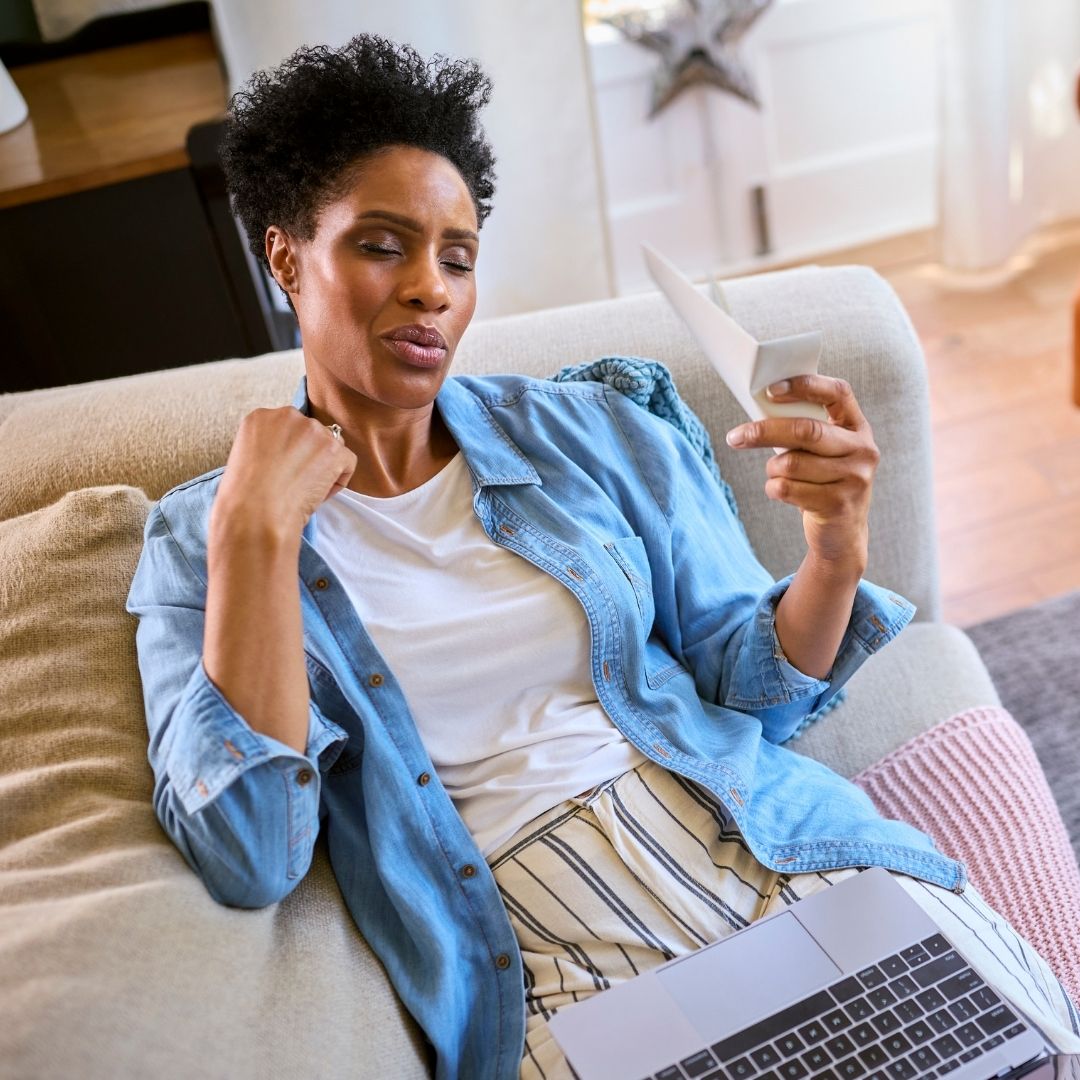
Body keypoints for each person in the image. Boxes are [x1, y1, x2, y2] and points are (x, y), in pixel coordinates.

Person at [126, 33, 1080, 1080]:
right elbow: (252, 853)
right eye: (382, 245)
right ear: (284, 257)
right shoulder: (201, 543)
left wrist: (837, 545)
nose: (432, 291)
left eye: (457, 256)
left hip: (770, 855)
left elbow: (747, 687)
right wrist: (257, 534)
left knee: (1019, 1054)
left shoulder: (589, 427)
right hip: (550, 964)